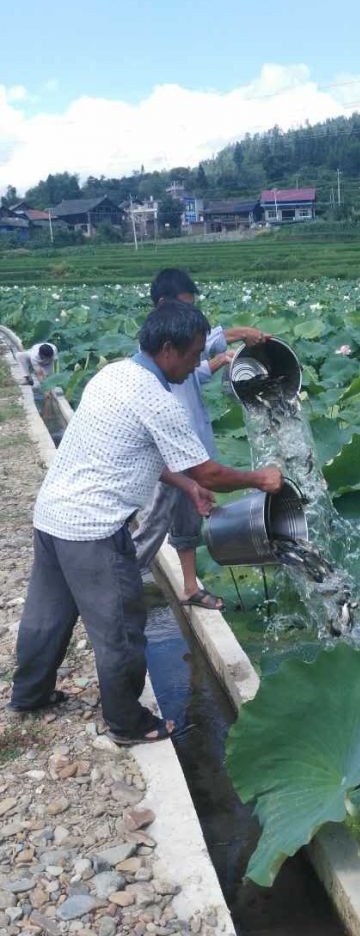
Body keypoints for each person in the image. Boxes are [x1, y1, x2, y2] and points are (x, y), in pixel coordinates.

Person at [10, 300, 282, 745]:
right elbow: (209, 471)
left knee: (47, 615)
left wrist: (188, 488)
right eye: (195, 354)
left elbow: (139, 450)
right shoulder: (158, 399)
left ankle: (29, 694)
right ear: (170, 349)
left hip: (53, 515)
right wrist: (259, 478)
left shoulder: (114, 374)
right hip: (95, 530)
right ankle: (127, 723)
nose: (198, 363)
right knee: (120, 627)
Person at [132, 268, 267, 610]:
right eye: (186, 307)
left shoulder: (180, 354)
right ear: (164, 305)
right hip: (170, 455)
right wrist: (239, 334)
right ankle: (119, 584)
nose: (191, 315)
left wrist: (220, 360)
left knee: (187, 524)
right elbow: (199, 346)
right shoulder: (159, 348)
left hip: (192, 448)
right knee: (152, 528)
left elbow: (194, 371)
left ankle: (189, 588)